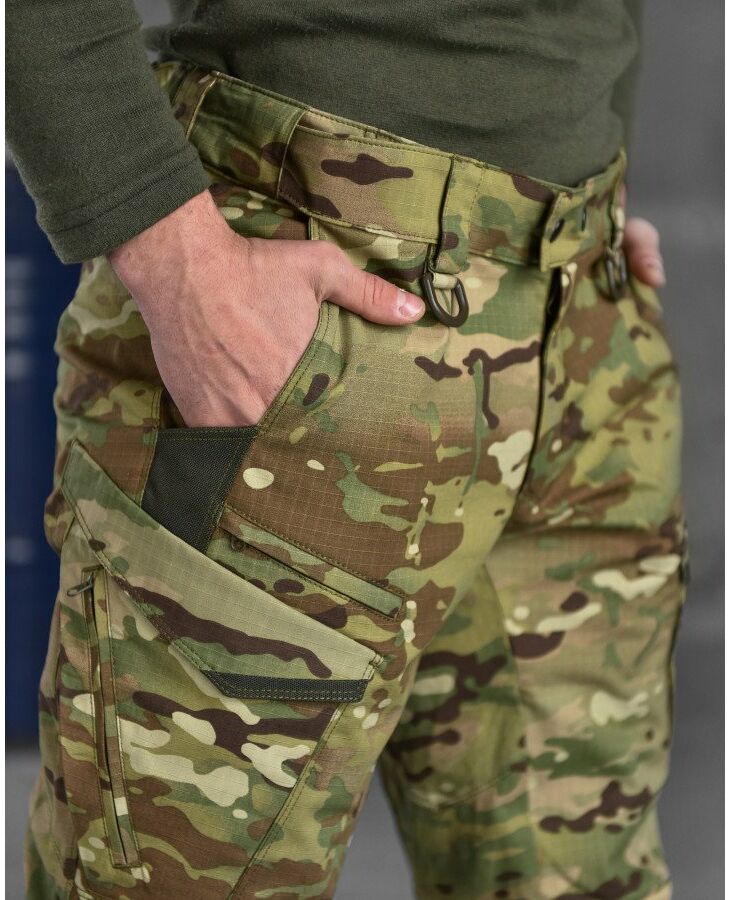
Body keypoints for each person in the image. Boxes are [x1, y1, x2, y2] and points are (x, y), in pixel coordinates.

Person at [7, 2, 689, 898]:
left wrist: (599, 157)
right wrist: (174, 257)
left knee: (583, 878)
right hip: (315, 285)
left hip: (586, 306)